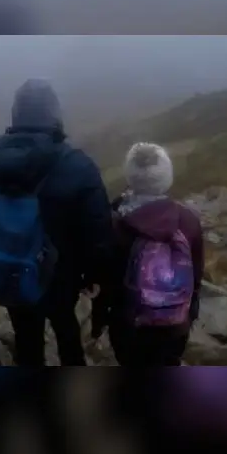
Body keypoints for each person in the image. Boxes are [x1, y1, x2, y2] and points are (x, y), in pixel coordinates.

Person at [0, 77, 114, 366]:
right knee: (66, 328)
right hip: (63, 276)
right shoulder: (78, 165)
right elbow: (98, 231)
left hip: (9, 271)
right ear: (54, 113)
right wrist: (94, 275)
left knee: (25, 337)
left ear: (15, 114)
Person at [91, 142, 204, 366]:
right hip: (175, 323)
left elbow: (107, 280)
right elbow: (197, 273)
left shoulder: (116, 224)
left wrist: (99, 319)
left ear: (130, 176)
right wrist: (190, 313)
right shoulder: (188, 221)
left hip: (130, 324)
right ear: (167, 176)